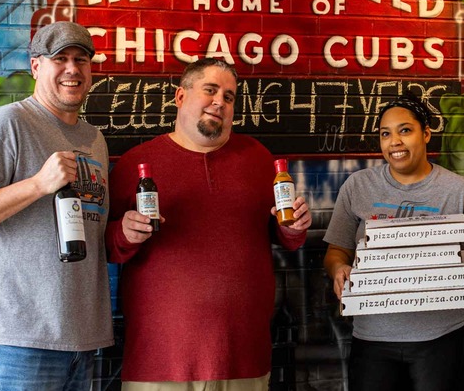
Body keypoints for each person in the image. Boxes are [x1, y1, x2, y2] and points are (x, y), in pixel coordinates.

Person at [105, 58, 311, 390]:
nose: (219, 102)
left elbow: (284, 237)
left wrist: (294, 227)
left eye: (229, 97)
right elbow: (105, 246)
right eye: (210, 90)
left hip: (243, 358)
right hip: (159, 362)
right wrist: (124, 233)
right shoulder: (135, 164)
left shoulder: (258, 159)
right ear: (180, 96)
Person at [0, 21, 113, 389]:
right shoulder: (7, 124)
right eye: (60, 59)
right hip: (18, 343)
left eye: (81, 60)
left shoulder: (94, 139)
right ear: (36, 66)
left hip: (81, 339)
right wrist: (38, 184)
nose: (72, 69)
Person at [323, 93, 464, 391]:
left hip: (447, 336)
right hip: (373, 337)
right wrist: (338, 269)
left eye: (405, 130)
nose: (395, 141)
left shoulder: (460, 191)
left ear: (426, 134)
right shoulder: (358, 186)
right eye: (385, 134)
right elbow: (336, 251)